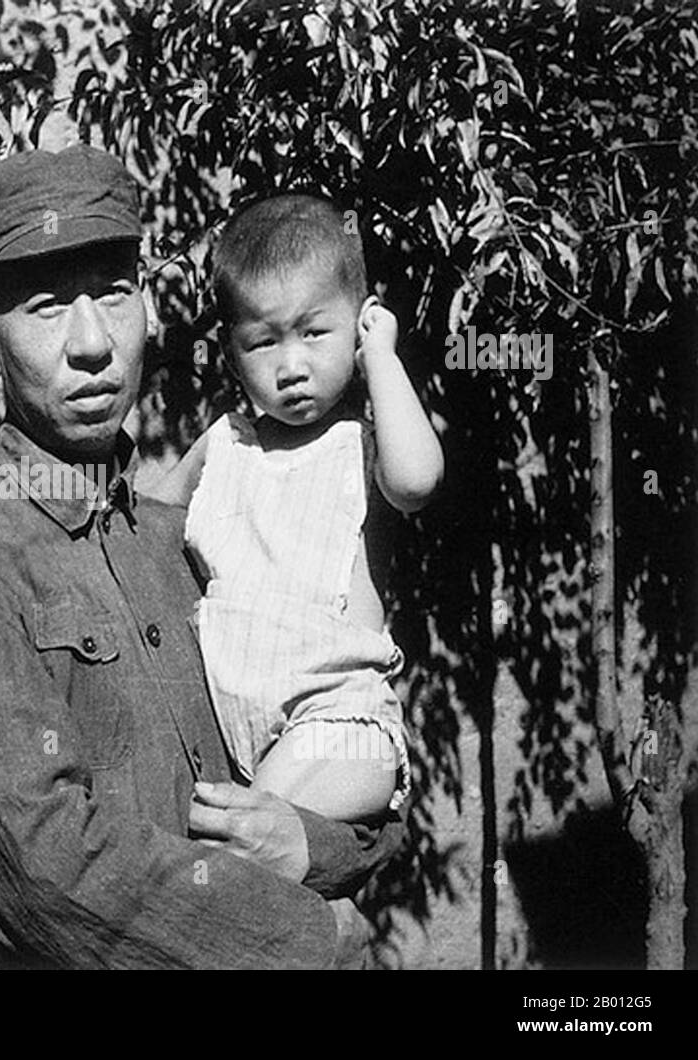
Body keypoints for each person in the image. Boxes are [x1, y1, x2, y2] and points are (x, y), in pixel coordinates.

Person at [0, 144, 406, 969]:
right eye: (49, 307)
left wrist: (308, 844)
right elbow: (49, 871)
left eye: (115, 295)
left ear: (150, 307)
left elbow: (357, 765)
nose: (93, 342)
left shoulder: (190, 530)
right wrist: (316, 935)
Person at [153, 195, 443, 824]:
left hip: (339, 723)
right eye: (262, 343)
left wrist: (382, 356)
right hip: (229, 734)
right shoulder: (225, 445)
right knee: (226, 845)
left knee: (235, 840)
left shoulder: (364, 445)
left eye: (316, 333)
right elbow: (144, 528)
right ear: (231, 353)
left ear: (360, 323)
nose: (292, 366)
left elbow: (418, 481)